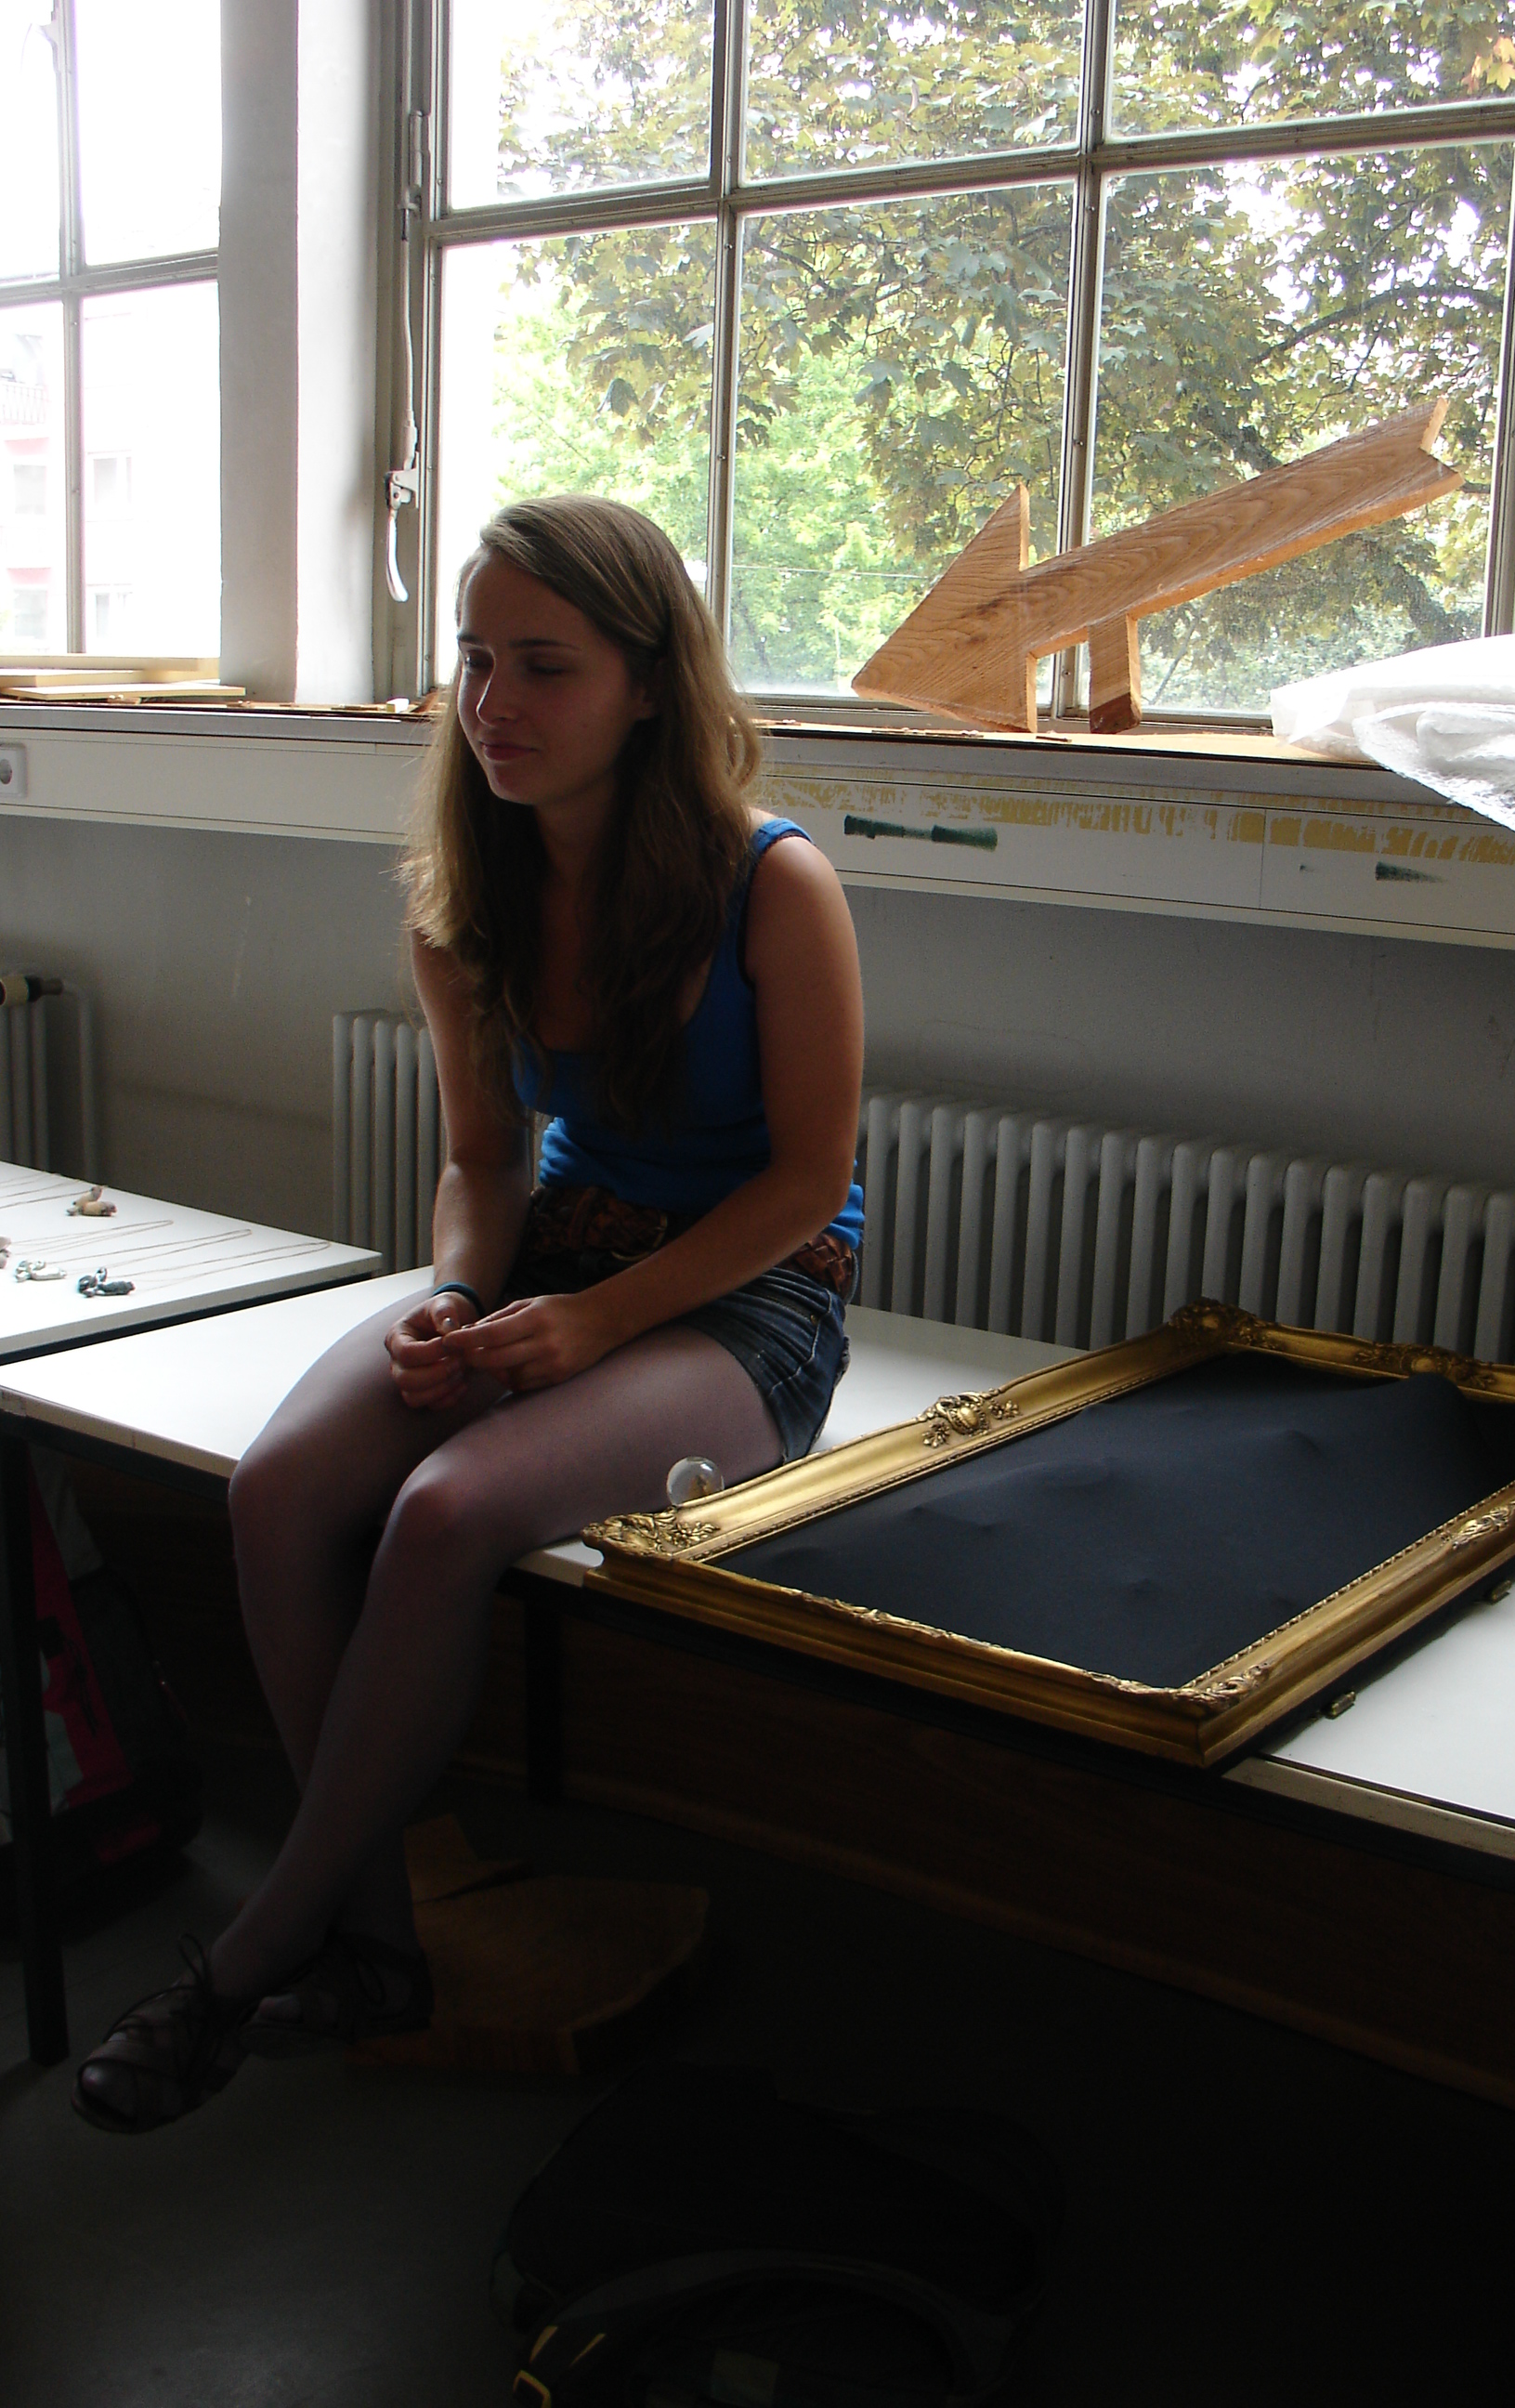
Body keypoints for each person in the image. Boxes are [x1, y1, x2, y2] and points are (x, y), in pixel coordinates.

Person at [72, 496, 865, 2132]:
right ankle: (375, 1942)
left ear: (647, 684)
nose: (493, 702)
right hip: (554, 1260)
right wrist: (453, 1294)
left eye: (544, 666)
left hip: (751, 1301)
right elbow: (485, 1163)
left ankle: (257, 1950)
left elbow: (806, 1187)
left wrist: (596, 1323)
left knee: (443, 1513)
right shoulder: (464, 899)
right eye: (475, 659)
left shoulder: (774, 884)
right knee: (281, 1488)